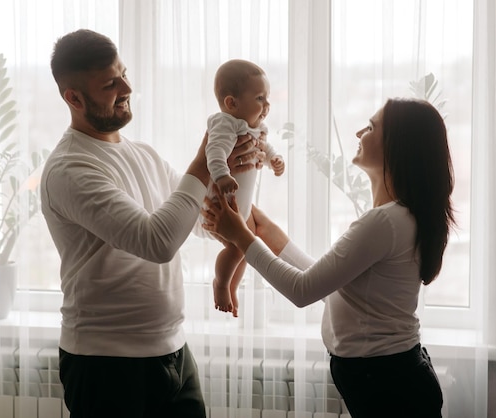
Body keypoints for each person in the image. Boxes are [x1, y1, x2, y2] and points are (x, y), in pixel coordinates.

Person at [41, 29, 263, 418]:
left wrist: (231, 173)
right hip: (106, 364)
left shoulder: (143, 154)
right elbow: (157, 243)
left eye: (124, 73)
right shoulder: (70, 168)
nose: (127, 87)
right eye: (111, 83)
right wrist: (202, 163)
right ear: (73, 98)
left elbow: (199, 223)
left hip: (173, 351)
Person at [203, 98, 453, 417]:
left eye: (372, 126)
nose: (360, 132)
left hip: (387, 383)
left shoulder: (384, 223)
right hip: (391, 377)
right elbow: (329, 285)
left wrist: (240, 235)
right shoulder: (397, 218)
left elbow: (303, 290)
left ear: (397, 146)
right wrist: (260, 227)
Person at [205, 59, 285, 317]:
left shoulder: (256, 127)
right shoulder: (226, 124)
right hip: (224, 204)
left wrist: (273, 159)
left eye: (268, 98)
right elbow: (214, 152)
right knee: (236, 247)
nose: (267, 105)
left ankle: (233, 287)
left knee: (246, 249)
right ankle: (220, 284)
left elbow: (264, 146)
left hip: (245, 205)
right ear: (232, 103)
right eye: (260, 98)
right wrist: (222, 175)